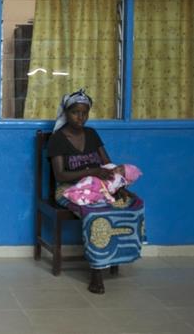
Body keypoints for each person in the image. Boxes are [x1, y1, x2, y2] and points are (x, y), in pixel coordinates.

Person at [47, 89, 145, 294]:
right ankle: (97, 272)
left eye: (85, 113)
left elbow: (108, 165)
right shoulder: (57, 139)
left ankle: (118, 256)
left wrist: (120, 187)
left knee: (132, 205)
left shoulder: (91, 134)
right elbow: (60, 176)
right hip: (69, 190)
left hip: (100, 187)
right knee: (96, 214)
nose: (80, 117)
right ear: (67, 113)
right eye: (75, 112)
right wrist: (92, 171)